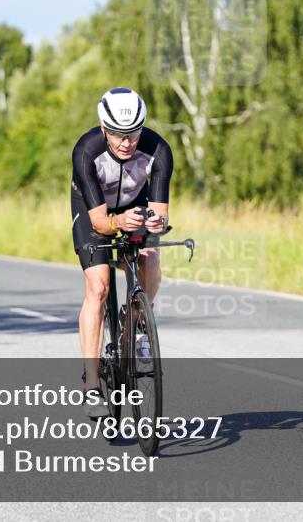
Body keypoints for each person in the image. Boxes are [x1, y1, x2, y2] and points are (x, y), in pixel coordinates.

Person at [70, 87, 173, 418]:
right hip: (93, 210)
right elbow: (100, 222)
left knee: (150, 258)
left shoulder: (158, 150)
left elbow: (160, 209)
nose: (127, 141)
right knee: (98, 287)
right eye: (117, 134)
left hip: (134, 205)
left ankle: (140, 321)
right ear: (103, 128)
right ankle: (91, 383)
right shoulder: (86, 151)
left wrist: (155, 223)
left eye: (133, 133)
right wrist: (118, 223)